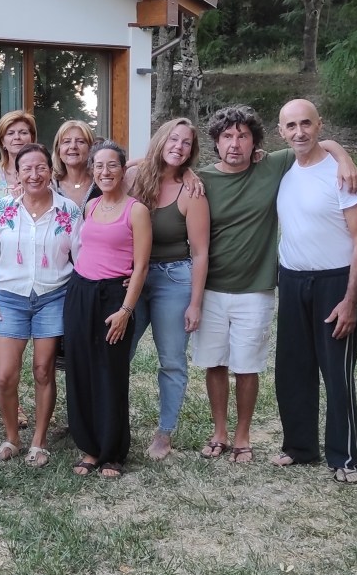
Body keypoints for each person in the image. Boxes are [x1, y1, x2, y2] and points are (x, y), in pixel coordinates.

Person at [192, 105, 357, 464]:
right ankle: (223, 433)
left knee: (247, 365)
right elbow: (153, 168)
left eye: (242, 136)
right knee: (218, 363)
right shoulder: (200, 180)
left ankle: (243, 437)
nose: (234, 144)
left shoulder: (272, 165)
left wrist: (344, 157)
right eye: (227, 136)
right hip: (213, 289)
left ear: (256, 142)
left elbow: (316, 143)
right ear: (216, 142)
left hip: (258, 288)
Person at [270, 100, 357, 484]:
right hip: (292, 280)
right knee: (293, 369)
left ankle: (346, 456)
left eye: (306, 124)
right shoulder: (283, 170)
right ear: (281, 132)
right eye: (291, 126)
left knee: (336, 372)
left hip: (335, 282)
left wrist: (350, 300)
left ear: (319, 125)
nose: (300, 132)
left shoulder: (342, 176)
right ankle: (300, 447)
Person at [0, 143, 81, 467]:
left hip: (53, 296)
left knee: (43, 370)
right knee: (5, 376)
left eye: (41, 168)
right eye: (27, 169)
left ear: (50, 170)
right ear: (17, 173)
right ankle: (12, 437)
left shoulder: (68, 211)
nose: (34, 174)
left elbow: (82, 258)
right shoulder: (3, 209)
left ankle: (39, 441)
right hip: (10, 297)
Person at [124, 118, 210, 461]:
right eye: (173, 139)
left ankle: (164, 432)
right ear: (160, 140)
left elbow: (200, 252)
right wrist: (143, 161)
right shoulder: (134, 178)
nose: (179, 147)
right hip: (133, 277)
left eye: (186, 143)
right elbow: (113, 168)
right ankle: (109, 419)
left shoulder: (192, 192)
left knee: (172, 360)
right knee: (118, 353)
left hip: (173, 279)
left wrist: (195, 303)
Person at [65, 141, 149, 479]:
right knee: (80, 370)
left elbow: (141, 267)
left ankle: (112, 452)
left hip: (114, 297)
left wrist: (126, 310)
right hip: (80, 292)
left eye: (112, 165)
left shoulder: (136, 211)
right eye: (99, 166)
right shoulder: (91, 206)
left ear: (123, 169)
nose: (105, 172)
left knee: (110, 373)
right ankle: (89, 447)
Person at [0, 111, 37, 209]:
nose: (17, 137)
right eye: (10, 133)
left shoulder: (43, 173)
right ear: (2, 141)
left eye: (23, 133)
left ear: (32, 138)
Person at [52, 120, 98, 207]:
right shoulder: (51, 188)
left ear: (91, 149)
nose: (73, 146)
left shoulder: (101, 184)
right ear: (58, 150)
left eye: (80, 141)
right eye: (67, 141)